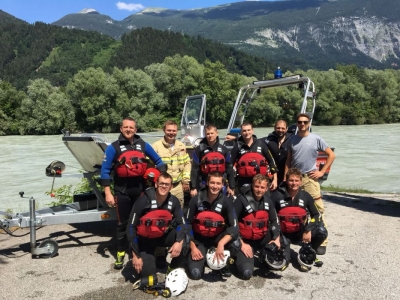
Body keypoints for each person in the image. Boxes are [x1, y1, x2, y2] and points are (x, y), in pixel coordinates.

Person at [99, 117, 166, 270]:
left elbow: (159, 161)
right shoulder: (113, 148)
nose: (129, 130)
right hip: (122, 192)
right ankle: (121, 252)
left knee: (142, 222)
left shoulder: (143, 145)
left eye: (132, 127)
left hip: (141, 191)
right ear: (121, 129)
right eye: (126, 127)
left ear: (136, 130)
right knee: (122, 224)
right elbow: (104, 172)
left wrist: (160, 178)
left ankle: (141, 250)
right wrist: (108, 193)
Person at [285, 113, 335, 255]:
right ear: (296, 123)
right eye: (300, 122)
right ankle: (300, 235)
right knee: (296, 208)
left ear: (309, 123)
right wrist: (285, 178)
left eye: (305, 122)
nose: (302, 124)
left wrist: (322, 172)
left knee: (318, 209)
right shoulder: (292, 140)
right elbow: (289, 161)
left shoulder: (316, 139)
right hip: (295, 179)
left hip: (310, 179)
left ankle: (322, 241)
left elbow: (331, 155)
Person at [126, 172, 187, 279]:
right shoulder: (143, 200)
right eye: (161, 183)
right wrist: (135, 255)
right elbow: (130, 227)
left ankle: (172, 269)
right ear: (156, 184)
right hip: (144, 241)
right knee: (149, 277)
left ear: (171, 187)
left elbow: (182, 223)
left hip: (161, 237)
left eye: (167, 184)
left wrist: (178, 242)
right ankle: (147, 260)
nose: (164, 186)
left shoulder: (174, 201)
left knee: (185, 239)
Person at [271, 168, 328, 272]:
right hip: (283, 233)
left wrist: (308, 229)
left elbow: (316, 215)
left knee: (321, 231)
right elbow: (269, 216)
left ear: (300, 182)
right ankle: (284, 251)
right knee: (282, 264)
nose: (294, 183)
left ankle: (310, 252)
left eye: (296, 180)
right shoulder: (276, 195)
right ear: (286, 181)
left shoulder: (306, 196)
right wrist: (275, 235)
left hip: (300, 232)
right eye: (291, 180)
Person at [186, 171, 240, 279]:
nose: (215, 186)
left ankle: (223, 263)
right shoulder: (196, 200)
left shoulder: (227, 202)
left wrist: (221, 243)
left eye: (218, 183)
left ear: (222, 185)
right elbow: (186, 224)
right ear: (207, 183)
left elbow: (234, 226)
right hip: (199, 239)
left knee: (236, 243)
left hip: (217, 238)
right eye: (212, 183)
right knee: (195, 273)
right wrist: (192, 247)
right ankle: (203, 258)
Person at [233, 174, 283, 279]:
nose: (259, 190)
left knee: (282, 246)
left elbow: (274, 221)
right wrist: (241, 244)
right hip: (245, 240)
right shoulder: (241, 200)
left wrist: (276, 239)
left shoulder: (268, 201)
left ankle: (262, 255)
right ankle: (236, 258)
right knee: (246, 273)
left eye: (262, 187)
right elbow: (232, 224)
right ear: (252, 185)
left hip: (262, 237)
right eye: (256, 186)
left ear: (266, 188)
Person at [152, 120, 191, 207]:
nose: (171, 133)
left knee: (178, 212)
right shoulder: (156, 146)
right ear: (164, 130)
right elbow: (150, 167)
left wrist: (185, 181)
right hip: (162, 187)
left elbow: (187, 165)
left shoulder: (181, 146)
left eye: (174, 131)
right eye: (169, 130)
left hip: (177, 187)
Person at [230, 122, 278, 192]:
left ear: (252, 130)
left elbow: (271, 161)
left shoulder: (261, 144)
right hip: (244, 181)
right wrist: (231, 184)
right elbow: (229, 165)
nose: (247, 132)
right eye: (244, 131)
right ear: (241, 132)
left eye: (249, 130)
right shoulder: (237, 146)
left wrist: (275, 180)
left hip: (260, 180)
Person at [190, 123, 235, 198]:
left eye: (212, 133)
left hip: (220, 184)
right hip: (204, 183)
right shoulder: (199, 149)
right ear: (205, 134)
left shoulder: (224, 150)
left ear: (217, 133)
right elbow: (195, 169)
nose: (210, 135)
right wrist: (194, 187)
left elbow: (229, 168)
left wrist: (231, 186)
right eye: (207, 134)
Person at [263, 120, 293, 185]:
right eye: (278, 128)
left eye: (283, 128)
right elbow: (255, 141)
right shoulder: (269, 140)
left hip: (287, 173)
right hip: (273, 173)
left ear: (287, 129)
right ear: (274, 128)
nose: (280, 130)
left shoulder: (292, 140)